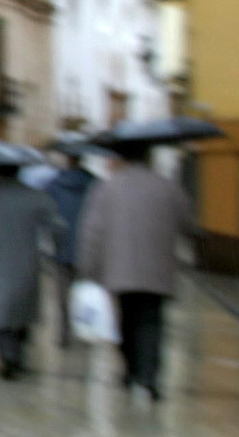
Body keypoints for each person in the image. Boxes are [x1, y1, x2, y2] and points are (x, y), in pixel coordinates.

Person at [77, 143, 195, 401]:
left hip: (120, 270)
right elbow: (187, 223)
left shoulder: (108, 188)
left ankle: (131, 371)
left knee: (127, 320)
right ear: (148, 157)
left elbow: (92, 232)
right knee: (152, 323)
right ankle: (149, 377)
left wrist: (89, 269)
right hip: (158, 269)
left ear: (122, 158)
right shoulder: (168, 187)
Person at [0, 165, 60, 379]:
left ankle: (7, 358)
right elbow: (57, 226)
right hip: (27, 264)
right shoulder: (36, 197)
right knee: (22, 312)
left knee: (0, 314)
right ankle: (17, 356)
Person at [44, 151, 98, 347]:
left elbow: (47, 214)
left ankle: (64, 334)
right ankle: (84, 333)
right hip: (86, 247)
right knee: (84, 292)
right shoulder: (94, 183)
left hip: (61, 245)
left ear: (67, 159)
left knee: (62, 294)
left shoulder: (54, 184)